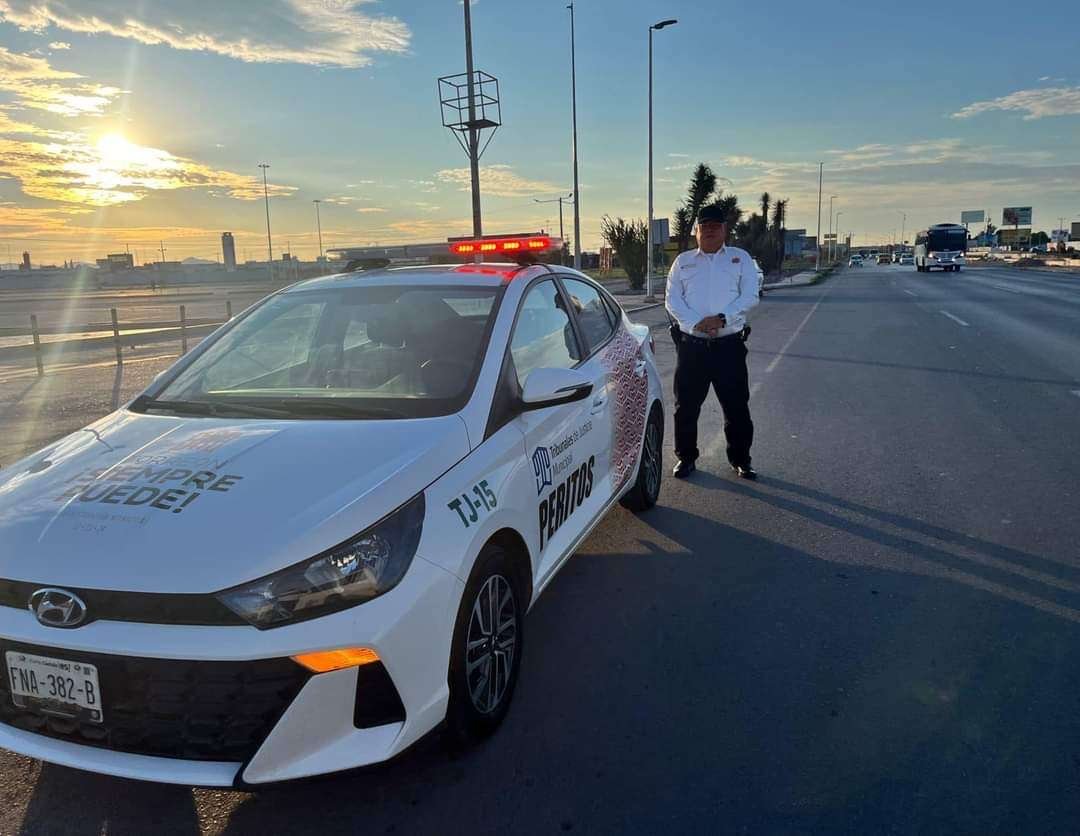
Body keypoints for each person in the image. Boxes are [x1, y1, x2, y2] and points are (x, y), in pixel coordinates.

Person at [664, 204, 760, 479]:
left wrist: (721, 319)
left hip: (729, 348)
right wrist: (697, 322)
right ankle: (686, 458)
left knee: (736, 406)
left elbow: (750, 295)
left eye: (715, 226)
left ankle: (741, 459)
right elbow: (672, 300)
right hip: (692, 347)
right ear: (697, 231)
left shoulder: (740, 259)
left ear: (724, 230)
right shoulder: (683, 262)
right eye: (704, 226)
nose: (709, 231)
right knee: (685, 407)